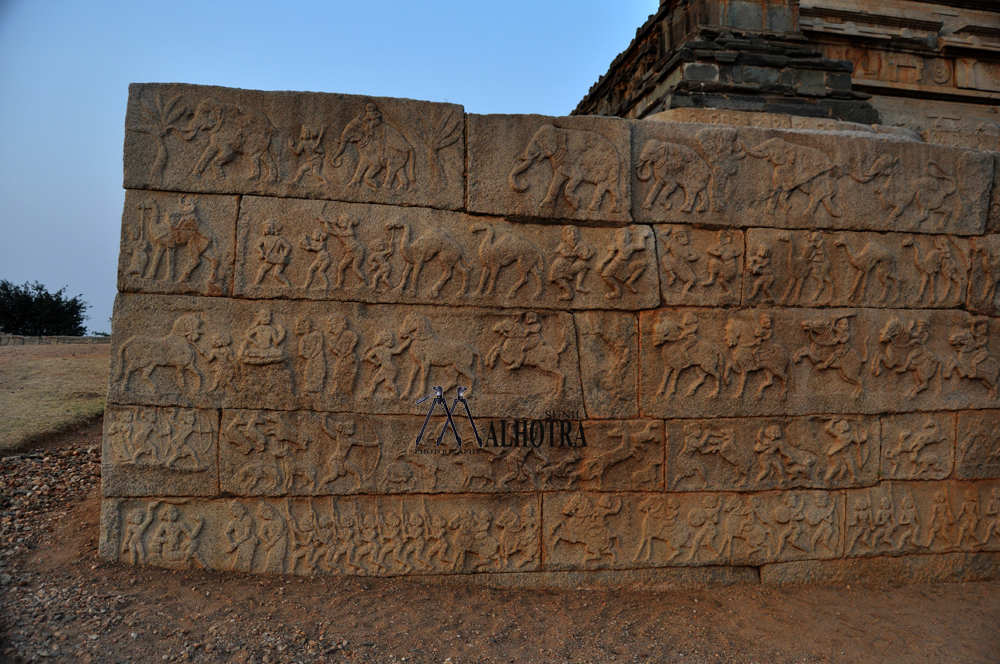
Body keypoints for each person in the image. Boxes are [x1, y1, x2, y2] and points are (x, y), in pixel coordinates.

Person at [254, 220, 292, 287]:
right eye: (266, 227)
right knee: (262, 269)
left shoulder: (279, 239)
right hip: (270, 258)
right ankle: (256, 283)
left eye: (270, 227)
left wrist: (284, 255)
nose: (268, 229)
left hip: (279, 259)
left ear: (275, 229)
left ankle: (287, 284)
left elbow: (288, 247)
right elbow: (257, 246)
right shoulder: (263, 239)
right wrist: (261, 252)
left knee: (276, 274)